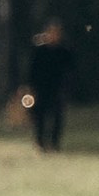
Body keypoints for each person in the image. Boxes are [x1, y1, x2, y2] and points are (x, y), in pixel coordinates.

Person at [26, 19, 72, 154]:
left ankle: (54, 144)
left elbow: (70, 71)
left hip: (58, 89)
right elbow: (32, 71)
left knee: (57, 118)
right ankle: (40, 143)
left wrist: (67, 87)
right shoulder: (39, 51)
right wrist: (30, 87)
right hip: (41, 89)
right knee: (39, 117)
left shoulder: (64, 51)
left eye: (56, 32)